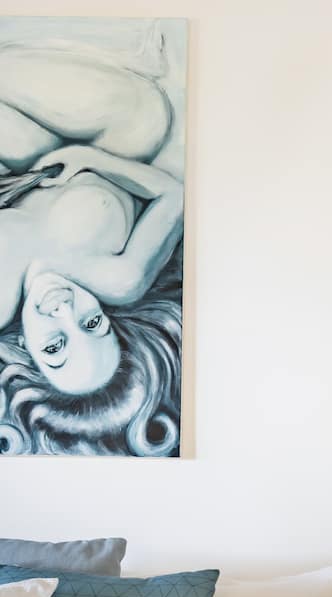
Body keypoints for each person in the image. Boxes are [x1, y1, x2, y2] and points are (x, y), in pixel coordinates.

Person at [0, 43, 184, 455]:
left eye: (54, 346)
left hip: (15, 165)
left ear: (27, 352)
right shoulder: (121, 279)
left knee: (16, 139)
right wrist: (90, 159)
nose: (65, 310)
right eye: (92, 324)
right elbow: (173, 195)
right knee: (145, 119)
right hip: (108, 143)